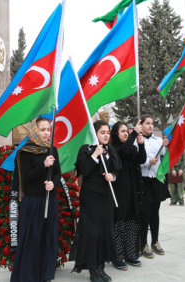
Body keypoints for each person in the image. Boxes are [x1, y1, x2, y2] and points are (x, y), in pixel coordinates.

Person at [10, 118, 61, 282]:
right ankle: (28, 276)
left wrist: (53, 183)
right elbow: (26, 177)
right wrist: (43, 165)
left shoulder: (52, 149)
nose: (47, 133)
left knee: (48, 237)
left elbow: (58, 172)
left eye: (48, 130)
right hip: (33, 201)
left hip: (49, 200)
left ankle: (44, 274)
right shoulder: (25, 151)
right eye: (43, 129)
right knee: (32, 238)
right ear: (34, 131)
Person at [70, 120, 121, 282]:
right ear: (95, 134)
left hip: (106, 197)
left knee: (105, 231)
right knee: (93, 232)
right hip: (91, 196)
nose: (106, 135)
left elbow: (117, 169)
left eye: (108, 132)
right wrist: (95, 155)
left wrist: (112, 176)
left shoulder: (111, 149)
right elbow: (83, 170)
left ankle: (101, 266)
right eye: (102, 132)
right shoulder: (86, 149)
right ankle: (92, 268)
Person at [110, 121, 145, 270]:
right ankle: (117, 256)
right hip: (119, 192)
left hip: (132, 191)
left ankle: (130, 254)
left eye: (127, 131)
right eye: (122, 131)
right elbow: (122, 151)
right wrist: (134, 134)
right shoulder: (113, 148)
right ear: (116, 134)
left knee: (132, 223)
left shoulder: (130, 147)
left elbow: (142, 159)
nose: (126, 133)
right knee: (119, 224)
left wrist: (141, 144)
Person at [137, 116, 170, 258]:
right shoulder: (136, 141)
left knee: (155, 213)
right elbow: (134, 160)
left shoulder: (158, 141)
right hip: (143, 180)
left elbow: (164, 156)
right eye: (147, 123)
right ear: (141, 125)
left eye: (152, 124)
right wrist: (146, 162)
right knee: (144, 213)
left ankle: (155, 241)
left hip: (155, 179)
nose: (150, 126)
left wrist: (166, 146)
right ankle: (143, 243)